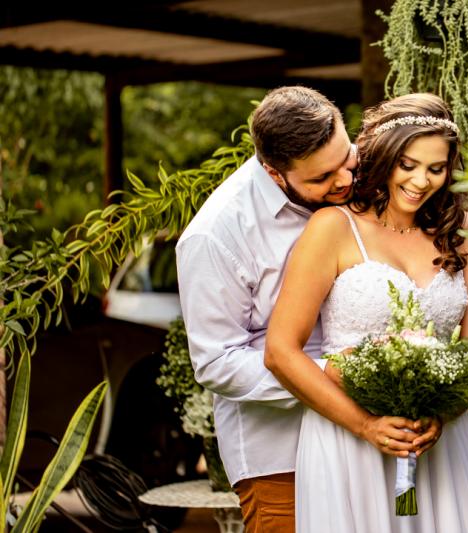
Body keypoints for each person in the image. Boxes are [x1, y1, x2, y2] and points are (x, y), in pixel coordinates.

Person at [176, 86, 438, 533]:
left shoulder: (369, 182)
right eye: (321, 178)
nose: (343, 181)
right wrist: (329, 371)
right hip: (282, 453)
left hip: (382, 440)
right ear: (275, 174)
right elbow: (216, 361)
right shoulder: (217, 236)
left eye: (346, 159)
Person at [266, 93, 468, 532]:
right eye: (407, 165)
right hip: (348, 441)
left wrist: (442, 413)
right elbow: (280, 351)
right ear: (384, 156)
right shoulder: (334, 227)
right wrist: (367, 426)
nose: (420, 181)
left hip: (439, 444)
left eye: (436, 168)